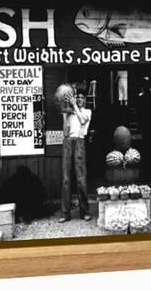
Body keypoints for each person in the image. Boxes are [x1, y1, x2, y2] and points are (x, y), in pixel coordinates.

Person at [60, 91, 92, 223]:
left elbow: (83, 121)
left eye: (81, 97)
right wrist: (65, 116)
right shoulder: (68, 113)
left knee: (80, 179)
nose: (79, 99)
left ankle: (84, 212)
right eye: (77, 97)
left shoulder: (87, 111)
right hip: (68, 142)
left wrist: (75, 107)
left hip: (79, 141)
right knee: (66, 179)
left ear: (84, 100)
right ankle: (65, 213)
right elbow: (65, 132)